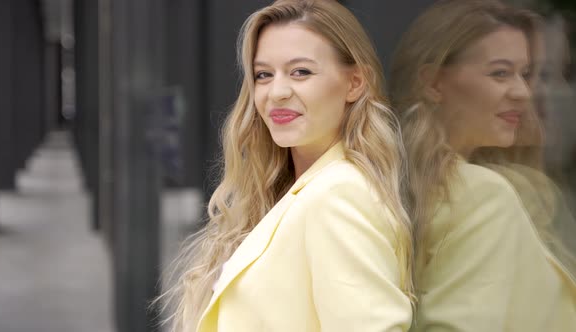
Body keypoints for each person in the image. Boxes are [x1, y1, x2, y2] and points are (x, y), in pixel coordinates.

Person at [158, 1, 414, 331]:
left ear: (355, 83)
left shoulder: (339, 196)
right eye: (263, 75)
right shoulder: (295, 192)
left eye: (300, 72)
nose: (276, 92)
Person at [388, 0, 576, 330]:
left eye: (525, 74)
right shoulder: (484, 194)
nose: (522, 92)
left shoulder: (398, 183)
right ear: (432, 83)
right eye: (500, 73)